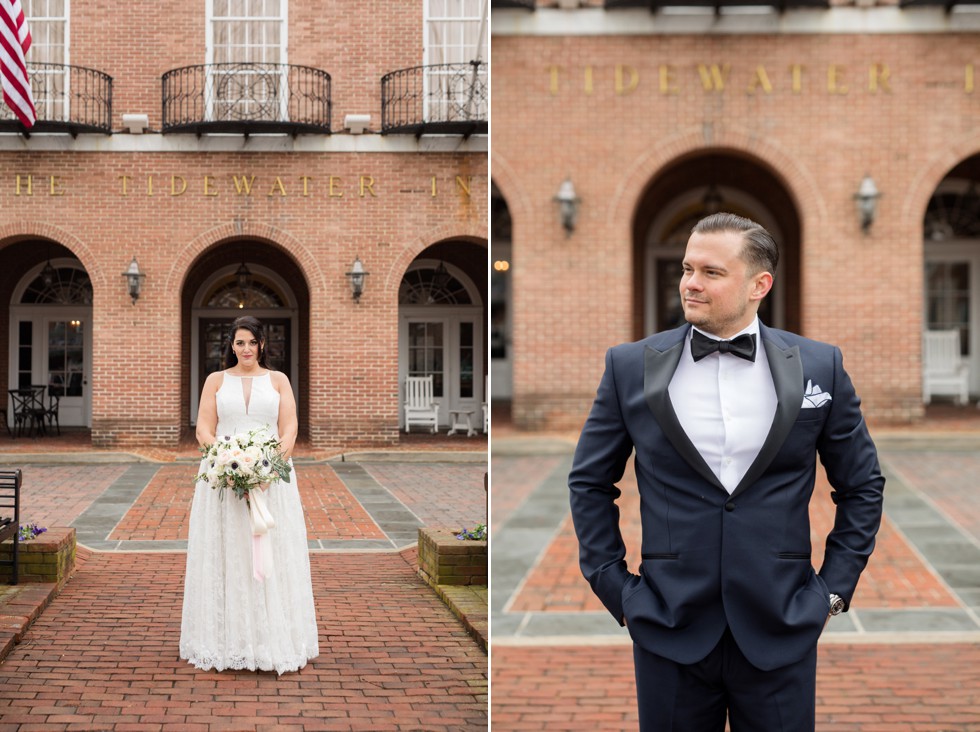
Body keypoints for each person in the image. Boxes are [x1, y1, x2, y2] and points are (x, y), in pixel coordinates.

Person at [568, 213, 884, 731]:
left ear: (760, 285)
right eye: (687, 268)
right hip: (667, 624)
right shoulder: (630, 366)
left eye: (711, 273)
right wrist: (616, 589)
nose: (690, 282)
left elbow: (862, 486)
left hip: (782, 623)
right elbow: (589, 482)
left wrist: (831, 591)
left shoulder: (819, 366)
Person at [180, 315, 318, 674]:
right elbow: (204, 429)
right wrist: (227, 459)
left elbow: (289, 428)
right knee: (227, 552)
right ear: (231, 345)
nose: (245, 349)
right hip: (222, 479)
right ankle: (226, 640)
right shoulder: (215, 381)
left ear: (262, 345)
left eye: (251, 343)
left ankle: (271, 639)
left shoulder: (278, 380)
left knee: (271, 552)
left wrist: (269, 464)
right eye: (239, 342)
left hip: (272, 479)